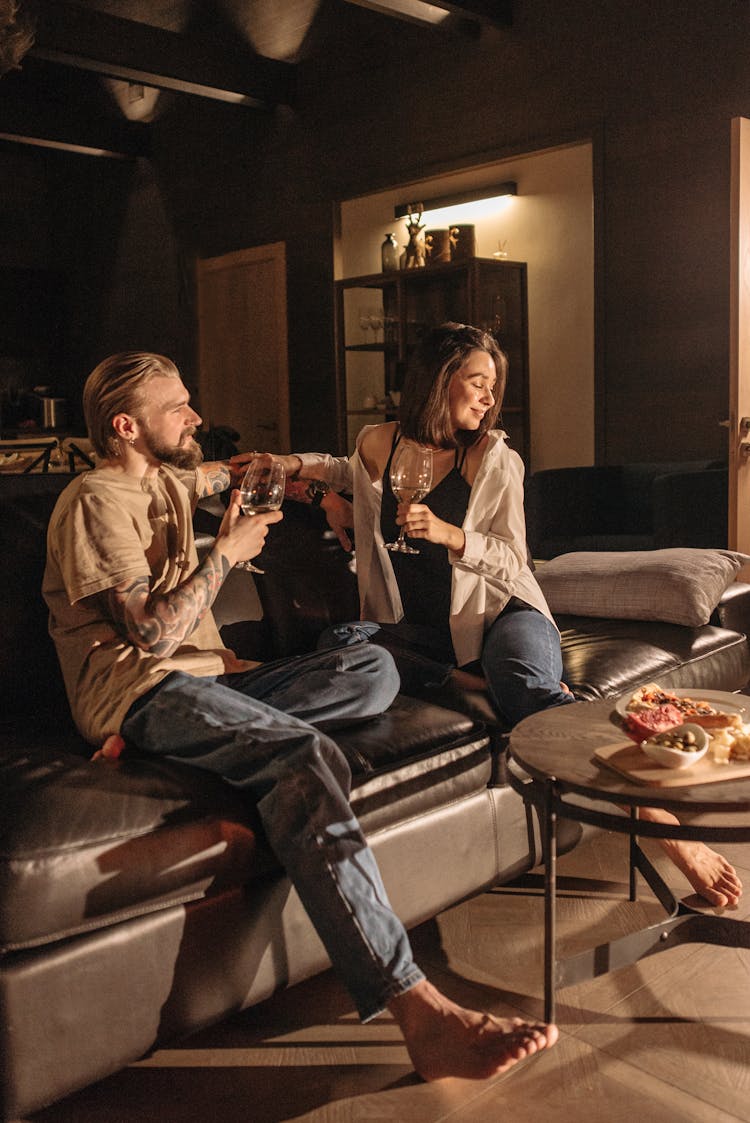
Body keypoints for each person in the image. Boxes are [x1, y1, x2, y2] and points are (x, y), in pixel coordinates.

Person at [42, 350, 558, 1083]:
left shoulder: (169, 480)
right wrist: (224, 556)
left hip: (216, 685)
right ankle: (414, 1005)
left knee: (373, 667)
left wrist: (326, 493)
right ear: (125, 426)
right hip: (142, 688)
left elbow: (252, 470)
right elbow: (150, 635)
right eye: (176, 407)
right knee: (300, 754)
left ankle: (182, 742)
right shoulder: (95, 499)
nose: (194, 416)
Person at [259, 322, 743, 910]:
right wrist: (297, 468)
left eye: (494, 386)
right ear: (439, 382)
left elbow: (516, 559)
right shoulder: (379, 441)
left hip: (501, 613)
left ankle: (665, 829)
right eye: (478, 383)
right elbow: (343, 468)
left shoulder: (493, 457)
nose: (490, 399)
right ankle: (468, 680)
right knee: (341, 639)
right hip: (426, 629)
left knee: (525, 687)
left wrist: (453, 536)